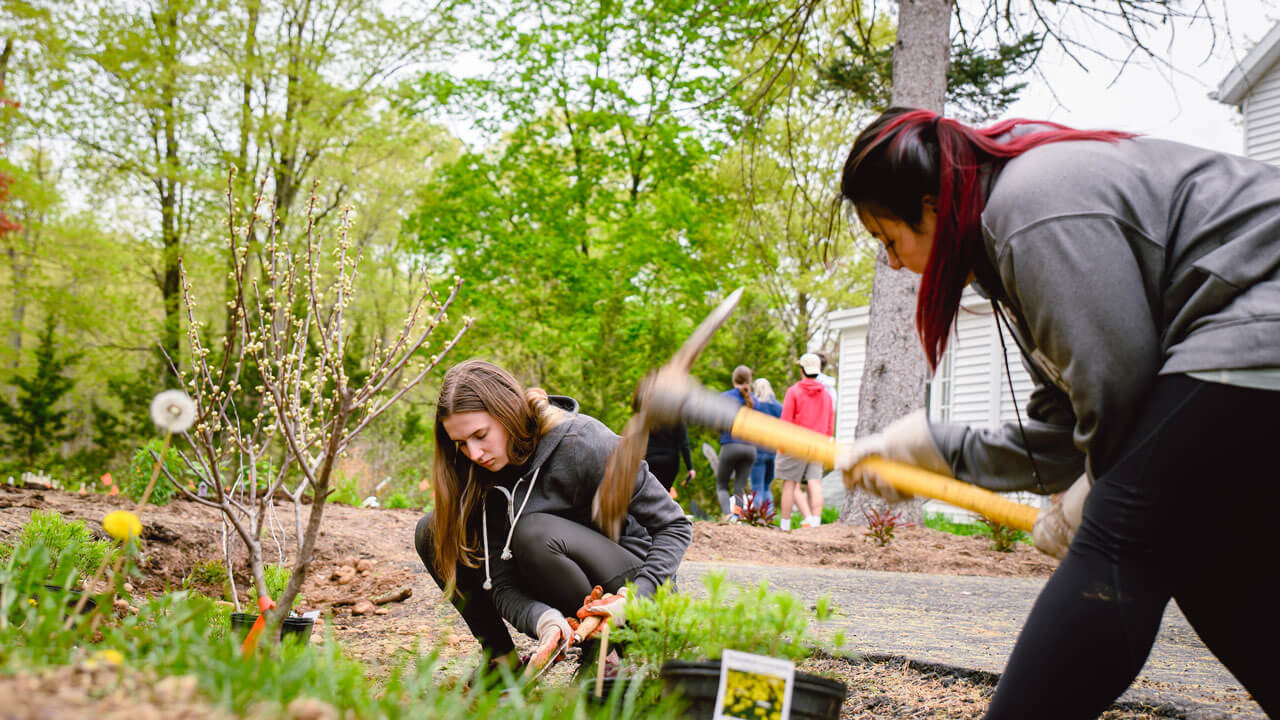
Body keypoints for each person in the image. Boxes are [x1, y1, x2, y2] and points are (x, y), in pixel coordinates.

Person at [835, 107, 1280, 719]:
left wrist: (1091, 498)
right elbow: (1067, 430)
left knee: (1120, 542)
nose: (892, 262)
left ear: (933, 204)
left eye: (890, 239)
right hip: (1244, 352)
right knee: (1202, 555)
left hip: (1256, 327)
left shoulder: (1030, 209)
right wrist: (935, 448)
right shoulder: (1014, 236)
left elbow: (1116, 390)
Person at [414, 359, 692, 671]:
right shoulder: (480, 474)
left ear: (507, 412)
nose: (475, 453)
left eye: (480, 434)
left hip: (637, 589)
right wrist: (544, 621)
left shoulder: (583, 442)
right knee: (434, 529)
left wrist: (636, 597)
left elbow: (674, 525)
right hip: (563, 586)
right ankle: (500, 663)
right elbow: (501, 584)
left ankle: (608, 653)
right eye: (461, 444)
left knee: (533, 533)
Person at [775, 353, 835, 530]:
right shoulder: (827, 396)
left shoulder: (794, 392)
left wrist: (782, 445)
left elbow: (786, 421)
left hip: (796, 443)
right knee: (814, 481)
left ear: (802, 370)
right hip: (818, 444)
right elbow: (830, 424)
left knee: (789, 482)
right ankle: (815, 521)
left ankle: (785, 525)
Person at [715, 365, 758, 518]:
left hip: (730, 444)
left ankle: (728, 516)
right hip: (750, 449)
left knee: (721, 486)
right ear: (749, 380)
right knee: (739, 487)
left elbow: (718, 423)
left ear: (734, 379)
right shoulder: (755, 402)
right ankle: (738, 516)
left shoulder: (725, 397)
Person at [749, 378, 783, 513]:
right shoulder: (778, 407)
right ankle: (769, 517)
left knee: (757, 487)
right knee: (767, 487)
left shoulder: (753, 406)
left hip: (757, 451)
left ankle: (757, 518)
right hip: (772, 452)